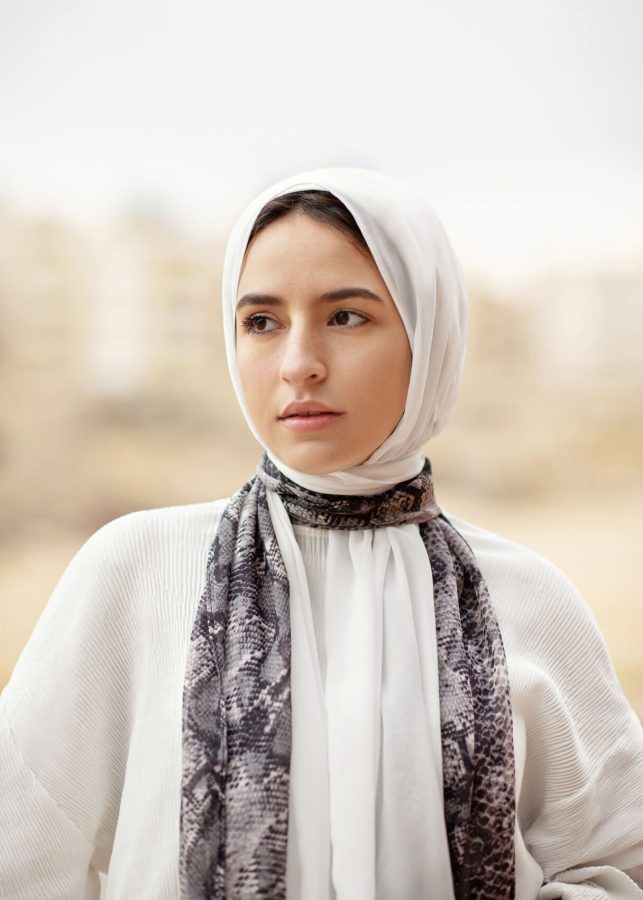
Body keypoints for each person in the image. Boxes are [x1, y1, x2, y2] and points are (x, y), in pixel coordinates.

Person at [0, 167, 641, 900]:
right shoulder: (135, 571)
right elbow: (21, 849)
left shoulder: (528, 598)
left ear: (429, 337)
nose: (298, 365)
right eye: (261, 322)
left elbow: (614, 864)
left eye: (345, 317)